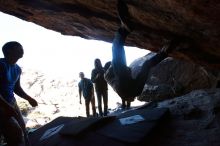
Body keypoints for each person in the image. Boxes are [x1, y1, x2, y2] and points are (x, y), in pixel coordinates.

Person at [104, 0, 179, 104]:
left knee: (146, 65)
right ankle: (124, 30)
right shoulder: (107, 75)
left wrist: (126, 70)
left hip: (135, 91)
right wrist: (119, 67)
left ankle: (164, 52)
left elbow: (125, 71)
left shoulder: (111, 78)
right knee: (116, 49)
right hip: (124, 87)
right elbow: (119, 68)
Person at [0, 41, 38, 146]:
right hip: (2, 105)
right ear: (9, 50)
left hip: (12, 102)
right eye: (18, 47)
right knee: (15, 133)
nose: (22, 49)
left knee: (22, 128)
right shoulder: (1, 65)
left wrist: (29, 98)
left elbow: (17, 88)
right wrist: (6, 106)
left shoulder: (17, 69)